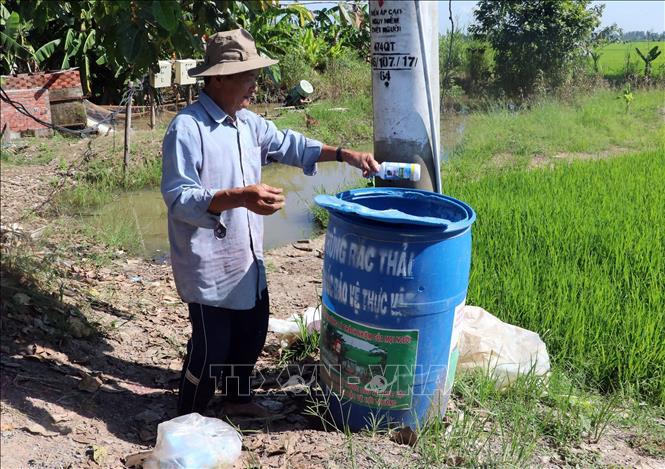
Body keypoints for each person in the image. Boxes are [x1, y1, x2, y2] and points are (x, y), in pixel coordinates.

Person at [161, 28, 380, 417]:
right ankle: (188, 415)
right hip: (208, 262)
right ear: (219, 77)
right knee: (211, 348)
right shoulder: (188, 128)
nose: (254, 85)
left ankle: (237, 401)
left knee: (252, 331)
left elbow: (291, 145)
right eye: (248, 76)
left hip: (246, 255)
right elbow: (179, 198)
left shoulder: (247, 123)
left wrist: (344, 154)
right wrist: (240, 197)